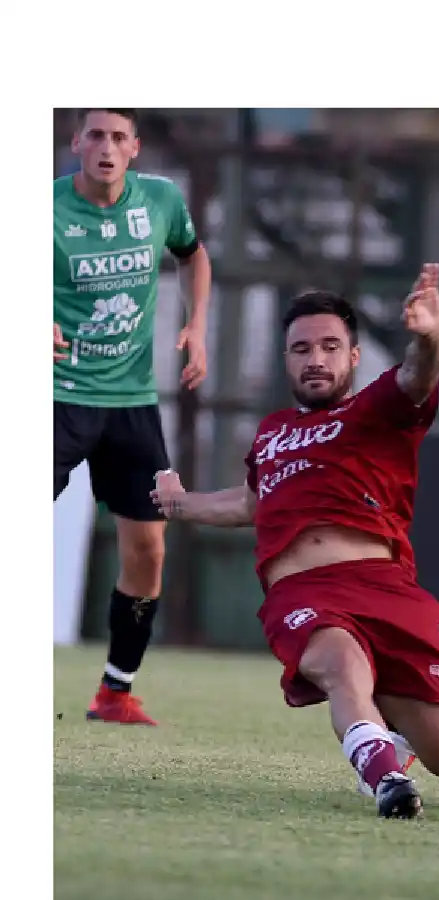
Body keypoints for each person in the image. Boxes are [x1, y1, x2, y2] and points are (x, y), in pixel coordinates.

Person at [149, 269, 439, 819]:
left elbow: (418, 374)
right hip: (303, 593)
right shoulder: (271, 431)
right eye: (300, 349)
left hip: (388, 593)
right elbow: (250, 504)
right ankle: (386, 778)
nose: (315, 358)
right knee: (340, 662)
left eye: (329, 346)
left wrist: (430, 335)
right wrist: (181, 504)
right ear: (286, 360)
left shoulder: (377, 408)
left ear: (354, 356)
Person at [54, 108, 212, 726]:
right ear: (76, 143)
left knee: (148, 547)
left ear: (136, 148)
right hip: (56, 396)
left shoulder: (162, 201)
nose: (107, 147)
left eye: (119, 137)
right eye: (95, 135)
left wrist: (197, 325)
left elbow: (193, 256)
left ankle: (115, 692)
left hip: (131, 404)